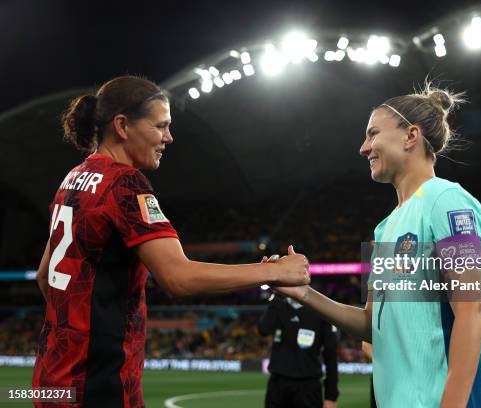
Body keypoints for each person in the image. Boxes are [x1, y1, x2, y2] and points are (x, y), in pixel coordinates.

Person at [31, 75, 310, 408]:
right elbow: (178, 278)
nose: (169, 137)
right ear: (122, 125)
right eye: (160, 126)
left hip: (53, 379)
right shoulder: (125, 183)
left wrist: (76, 326)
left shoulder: (72, 179)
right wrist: (275, 272)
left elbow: (44, 275)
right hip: (99, 385)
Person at [273, 83, 481, 407]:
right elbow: (370, 326)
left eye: (373, 133)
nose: (364, 148)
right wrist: (304, 294)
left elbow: (471, 313)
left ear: (411, 136)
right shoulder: (385, 228)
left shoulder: (447, 201)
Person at [258, 292, 339, 408]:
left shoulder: (320, 310)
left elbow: (331, 356)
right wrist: (278, 295)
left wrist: (331, 396)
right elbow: (263, 330)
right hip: (278, 385)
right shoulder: (279, 304)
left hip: (308, 387)